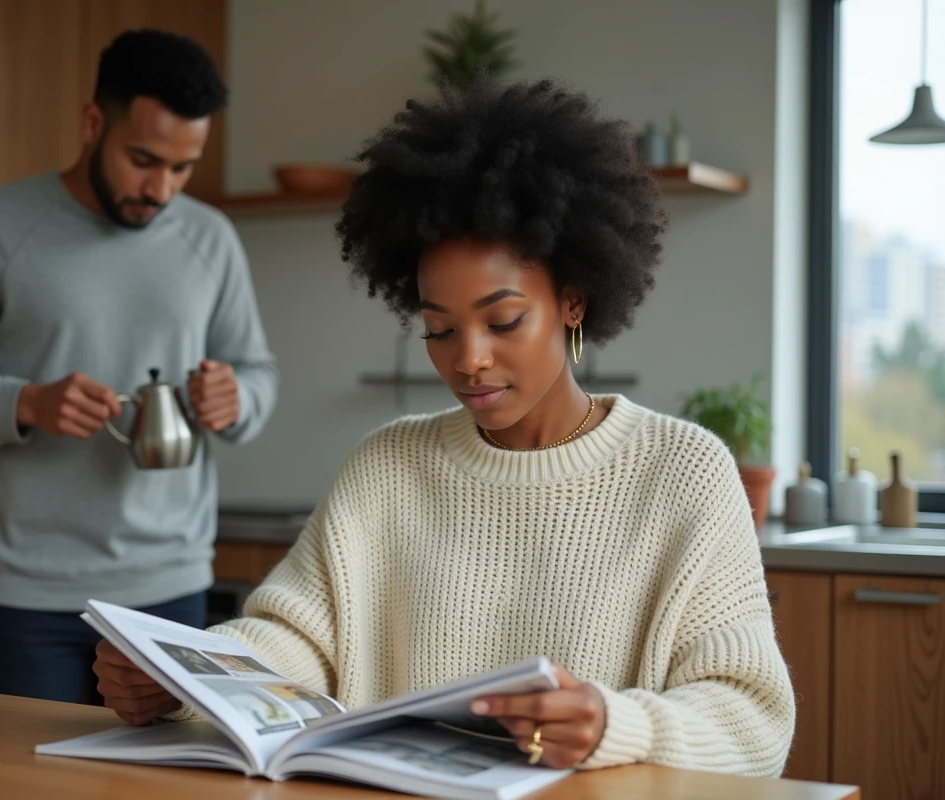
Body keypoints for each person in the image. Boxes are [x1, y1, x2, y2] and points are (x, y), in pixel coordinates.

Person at [93, 76, 795, 776]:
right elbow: (297, 639)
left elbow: (752, 718)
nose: (470, 360)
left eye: (504, 320)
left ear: (574, 301)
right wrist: (184, 683)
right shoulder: (387, 465)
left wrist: (619, 723)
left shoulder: (682, 471)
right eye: (438, 329)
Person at [0, 29, 279, 704]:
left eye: (183, 168)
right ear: (93, 124)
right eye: (143, 159)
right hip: (24, 599)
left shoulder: (211, 239)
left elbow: (257, 371)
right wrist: (23, 403)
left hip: (171, 592)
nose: (161, 189)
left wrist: (238, 400)